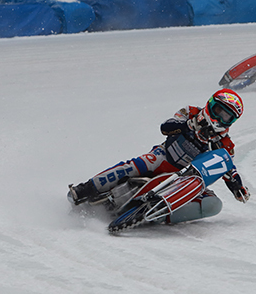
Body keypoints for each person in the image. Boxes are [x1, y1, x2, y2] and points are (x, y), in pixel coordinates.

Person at [68, 89, 250, 221]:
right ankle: (86, 188)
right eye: (219, 111)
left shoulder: (225, 144)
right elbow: (166, 128)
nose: (220, 119)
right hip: (162, 157)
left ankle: (161, 216)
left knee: (213, 205)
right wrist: (188, 126)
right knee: (132, 166)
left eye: (227, 117)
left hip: (186, 178)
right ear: (211, 105)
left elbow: (227, 167)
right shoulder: (190, 112)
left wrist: (237, 187)